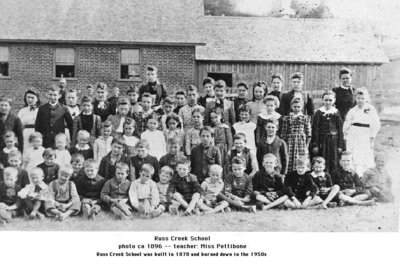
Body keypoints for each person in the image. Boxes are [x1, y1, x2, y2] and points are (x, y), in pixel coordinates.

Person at [343, 87, 381, 176]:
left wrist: (372, 136)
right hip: (353, 134)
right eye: (358, 98)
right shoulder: (352, 110)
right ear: (355, 99)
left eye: (363, 98)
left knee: (364, 154)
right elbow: (347, 124)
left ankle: (364, 176)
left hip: (365, 134)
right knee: (353, 154)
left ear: (366, 99)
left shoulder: (370, 109)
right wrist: (345, 135)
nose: (360, 101)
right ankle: (353, 176)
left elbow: (375, 124)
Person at [312, 91, 344, 172]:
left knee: (333, 160)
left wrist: (340, 145)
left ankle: (332, 180)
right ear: (322, 100)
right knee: (322, 159)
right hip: (322, 140)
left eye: (330, 100)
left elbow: (340, 129)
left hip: (334, 141)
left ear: (334, 100)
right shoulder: (319, 112)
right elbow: (315, 129)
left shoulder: (336, 112)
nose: (328, 102)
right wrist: (315, 144)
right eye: (326, 100)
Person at [281, 97, 311, 172]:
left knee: (301, 158)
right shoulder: (287, 118)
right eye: (295, 106)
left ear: (302, 107)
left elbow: (308, 133)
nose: (296, 108)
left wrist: (306, 145)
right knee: (289, 158)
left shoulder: (305, 118)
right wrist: (285, 143)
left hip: (301, 142)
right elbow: (283, 133)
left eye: (298, 107)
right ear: (291, 106)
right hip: (290, 141)